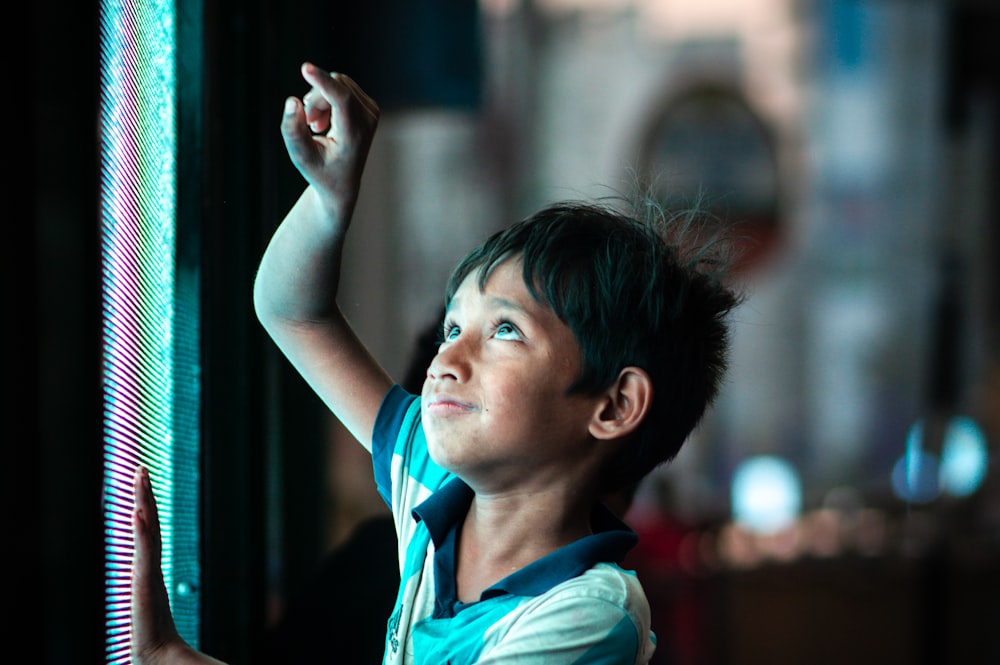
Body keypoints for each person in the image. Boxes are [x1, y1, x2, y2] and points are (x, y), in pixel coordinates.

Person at [131, 61, 741, 665]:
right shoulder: (433, 485)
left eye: (505, 330)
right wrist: (328, 201)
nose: (448, 357)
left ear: (613, 405)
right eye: (454, 326)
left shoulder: (588, 615)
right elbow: (291, 311)